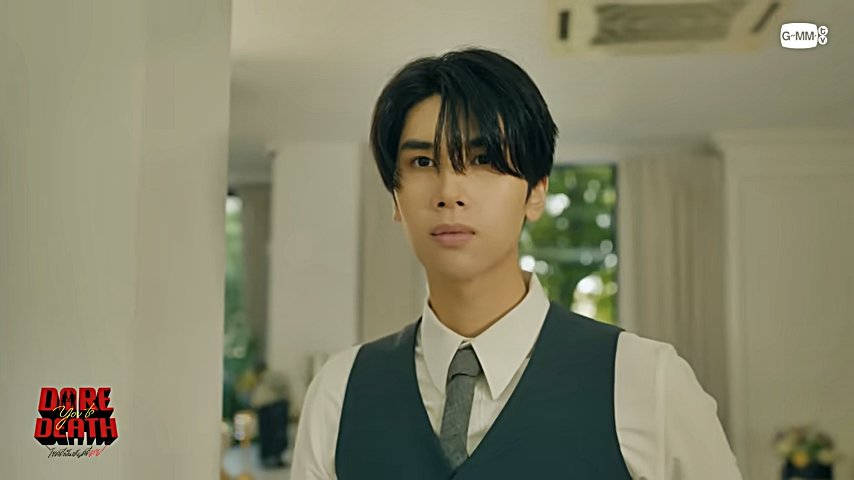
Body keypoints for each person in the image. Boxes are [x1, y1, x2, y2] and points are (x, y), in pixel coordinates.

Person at [290, 48, 742, 479]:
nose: (449, 192)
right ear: (395, 197)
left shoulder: (645, 381)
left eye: (483, 159)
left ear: (536, 191)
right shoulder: (340, 392)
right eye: (423, 161)